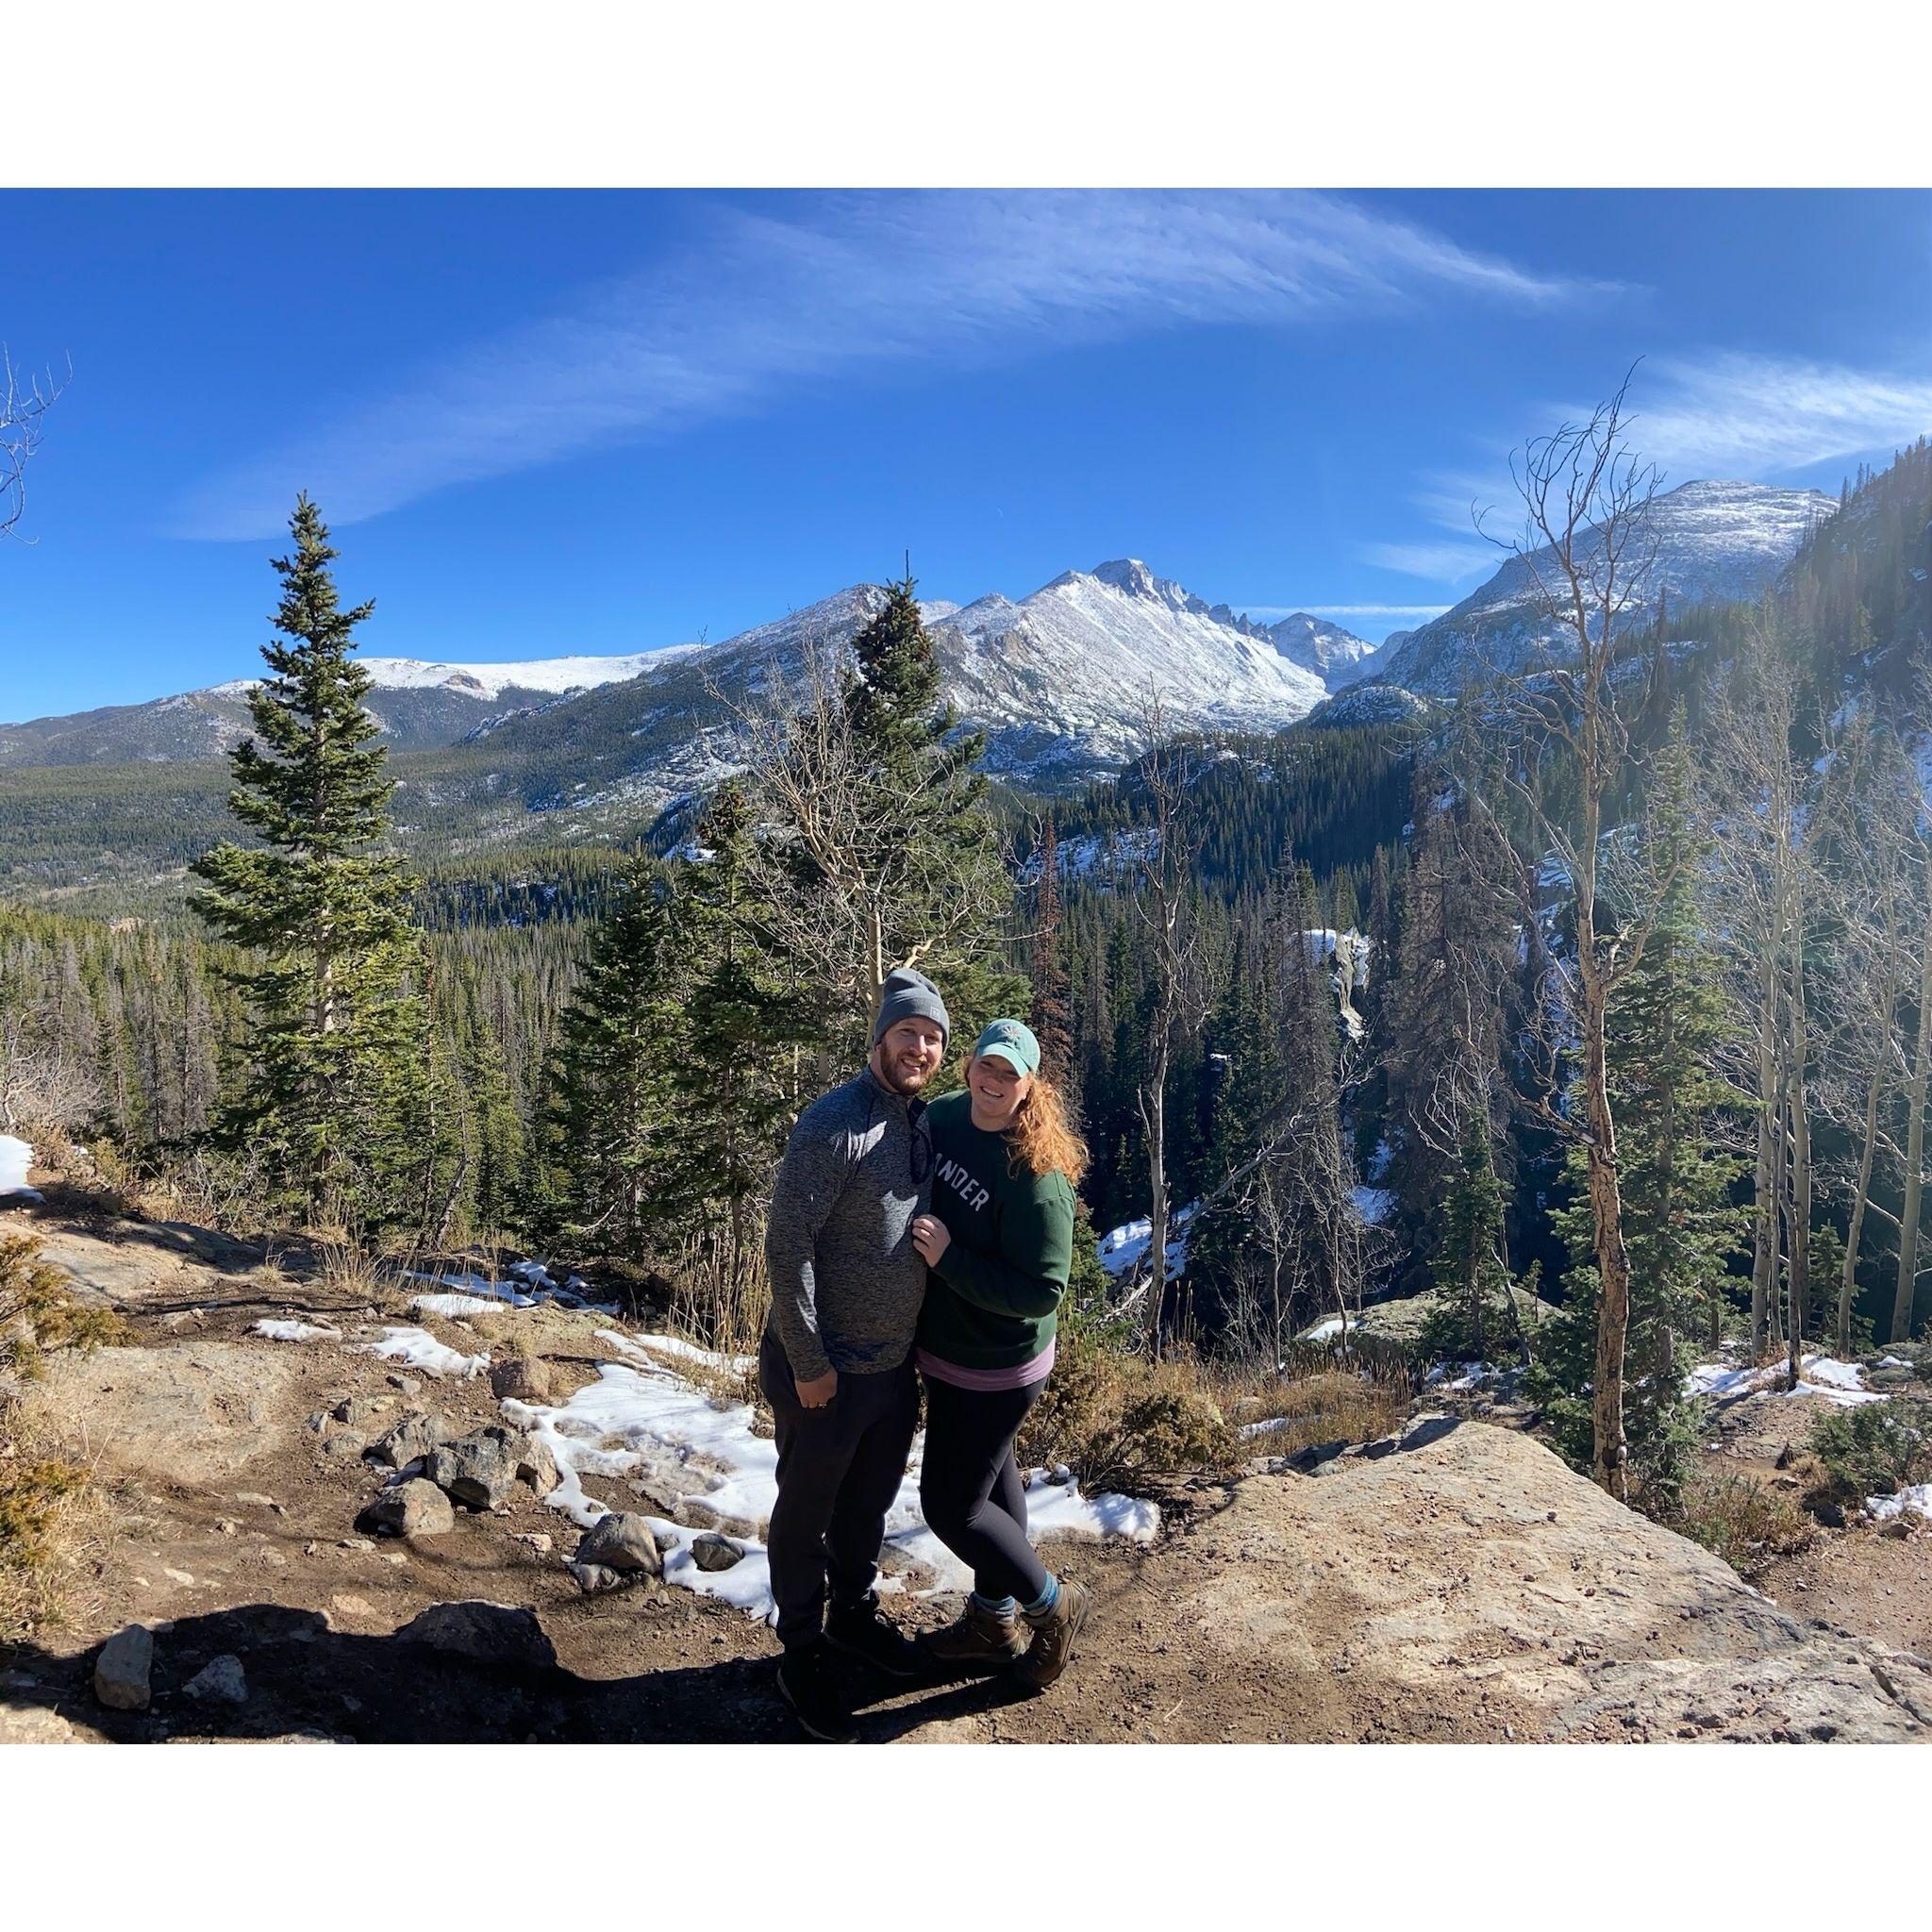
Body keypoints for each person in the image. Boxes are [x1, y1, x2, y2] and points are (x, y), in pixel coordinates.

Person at [760, 966, 949, 1742]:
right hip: (825, 1371)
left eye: (934, 1038)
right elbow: (786, 1244)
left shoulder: (921, 1121)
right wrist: (808, 1361)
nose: (921, 1047)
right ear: (879, 1038)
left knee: (865, 1508)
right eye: (908, 1032)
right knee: (806, 1514)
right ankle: (801, 1648)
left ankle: (854, 1616)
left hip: (889, 1369)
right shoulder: (834, 1123)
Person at [909, 1018, 1091, 1690]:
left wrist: (951, 1261)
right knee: (994, 1486)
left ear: (1029, 1085)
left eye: (1009, 1074)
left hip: (999, 1367)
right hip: (952, 1351)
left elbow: (1043, 1290)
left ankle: (1052, 1604)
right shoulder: (949, 1117)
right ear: (969, 1067)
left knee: (951, 1506)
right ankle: (992, 1620)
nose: (993, 1082)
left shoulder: (1037, 1175)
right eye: (987, 1066)